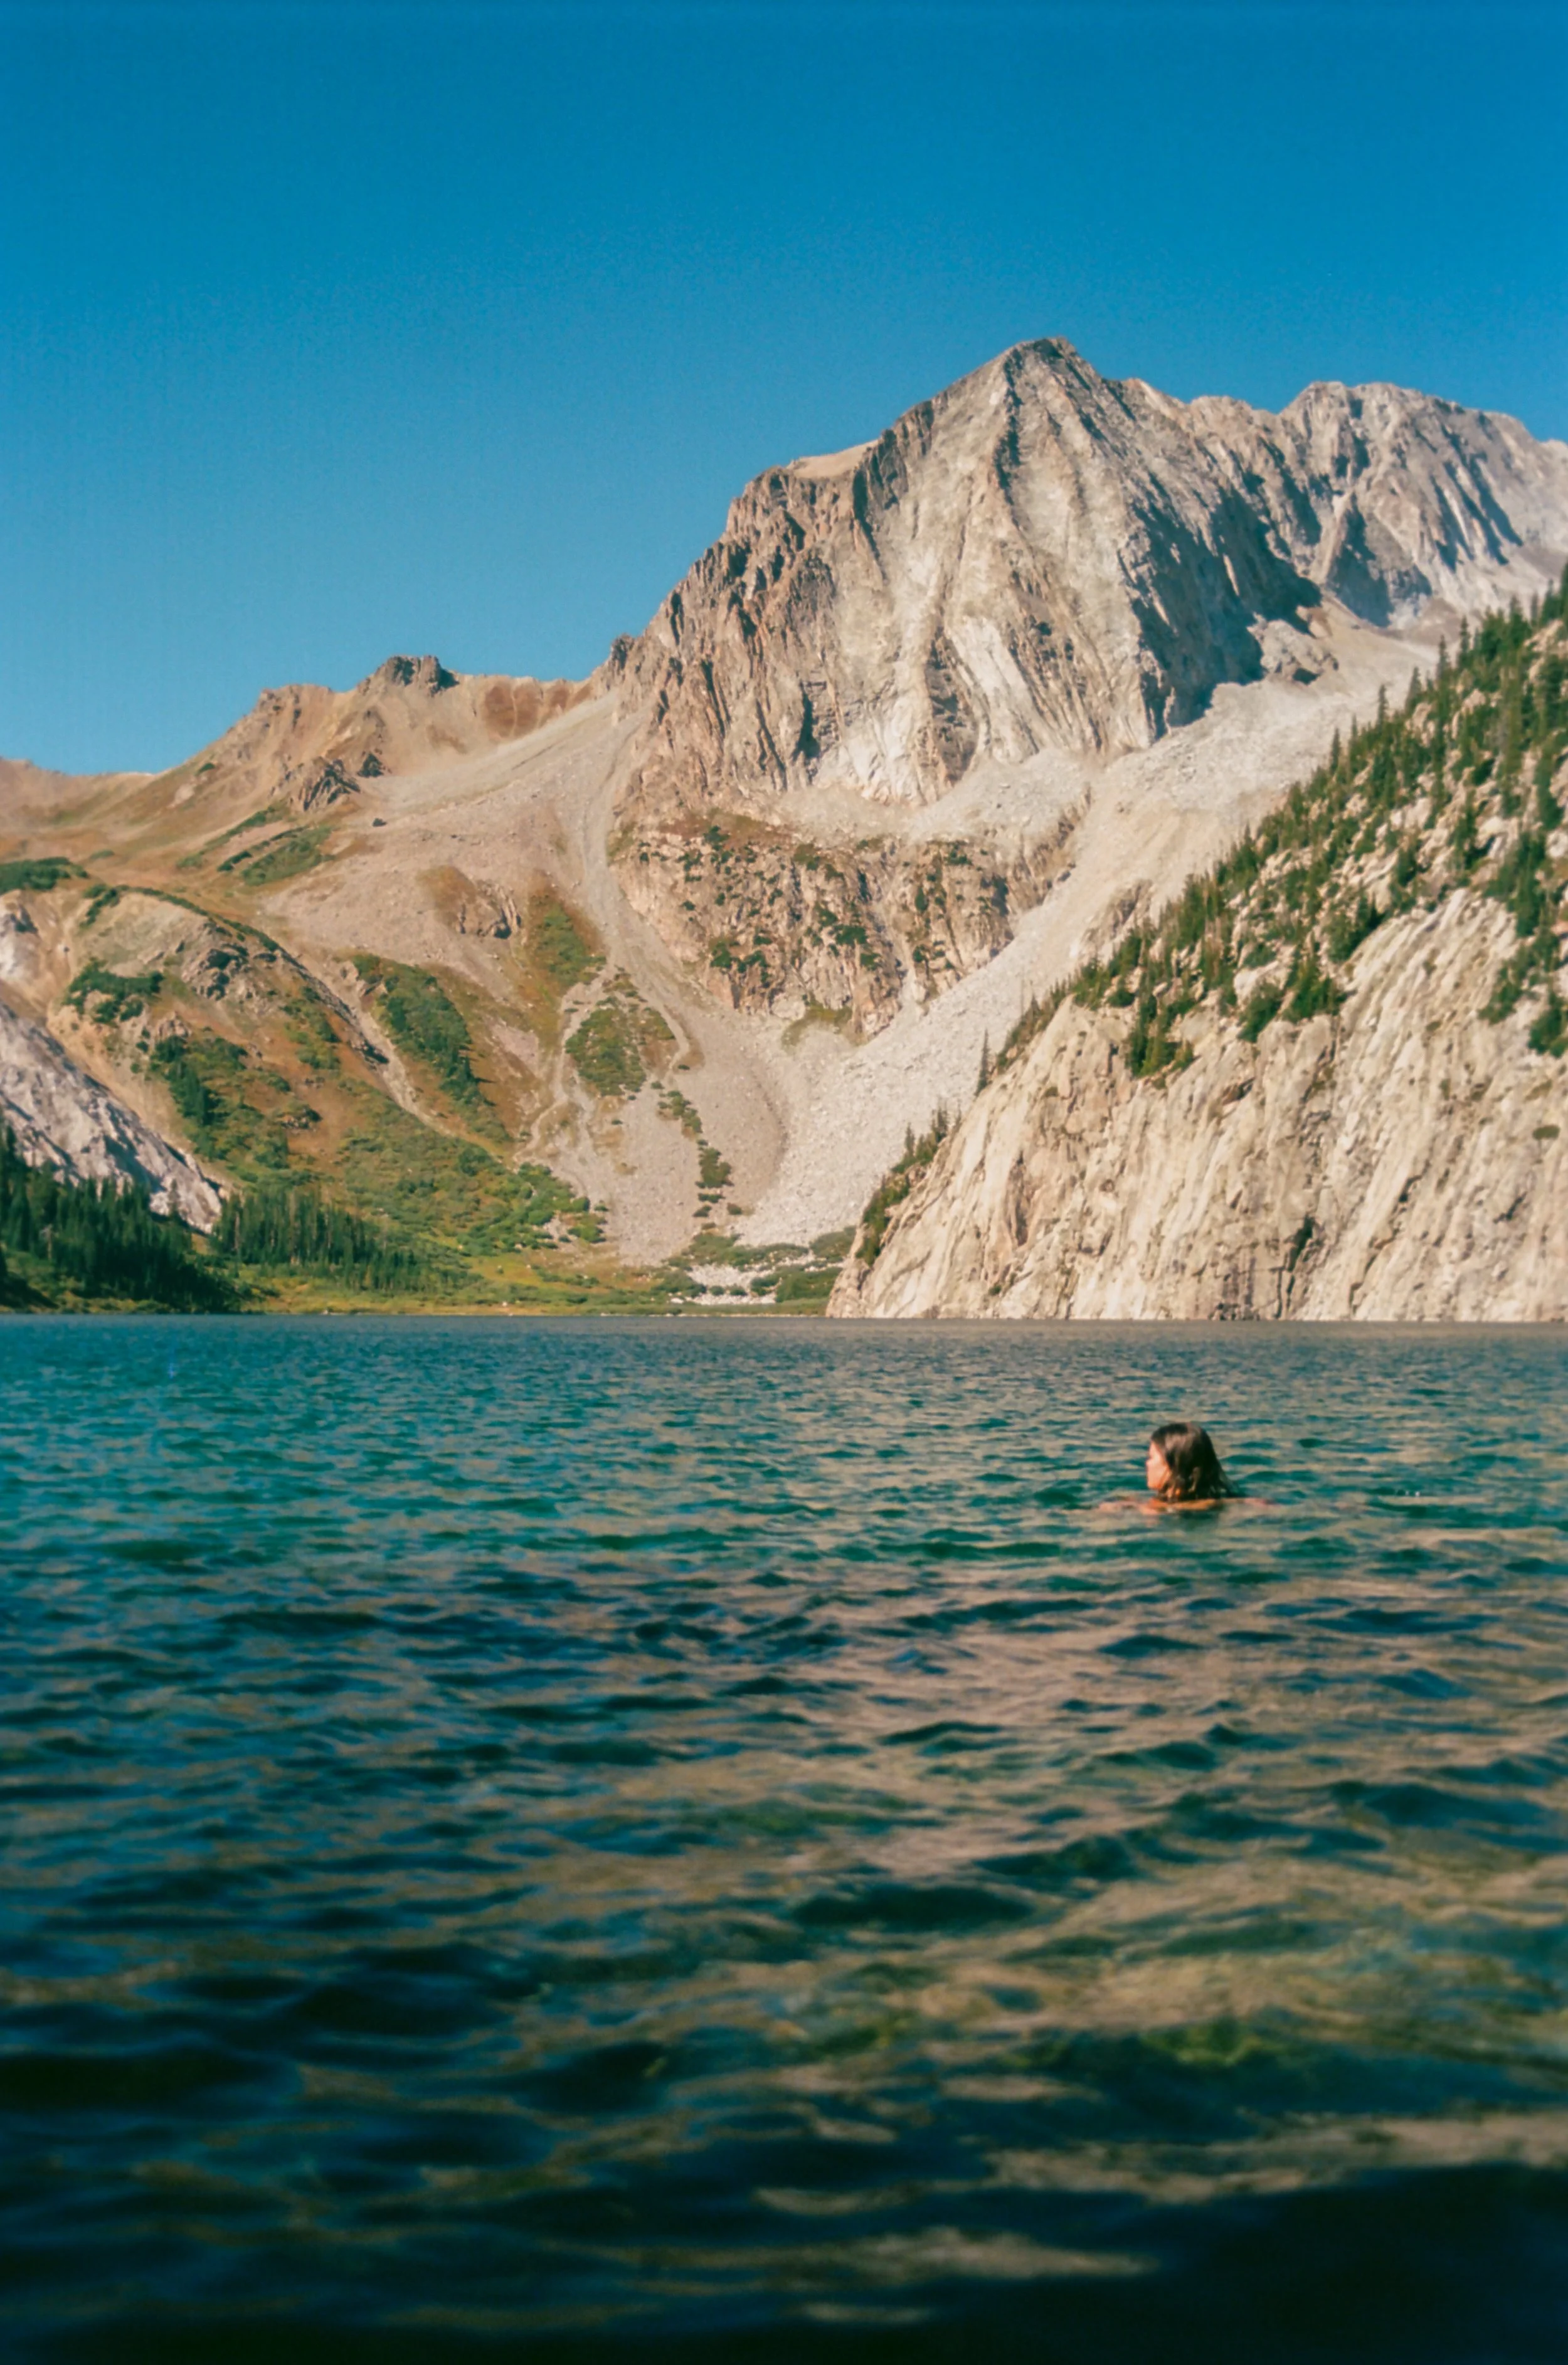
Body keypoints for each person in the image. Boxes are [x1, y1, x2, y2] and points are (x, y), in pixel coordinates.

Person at [1144, 1421, 1236, 1510]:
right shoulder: (1224, 1502)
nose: (1147, 1463)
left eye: (1151, 1457)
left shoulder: (1157, 1510)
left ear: (1174, 1465)